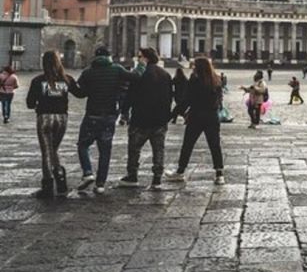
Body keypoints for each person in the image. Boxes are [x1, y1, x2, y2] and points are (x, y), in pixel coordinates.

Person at [75, 46, 138, 195]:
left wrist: (70, 85)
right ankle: (100, 184)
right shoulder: (117, 69)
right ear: (109, 56)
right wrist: (141, 64)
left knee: (83, 145)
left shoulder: (88, 72)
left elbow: (80, 93)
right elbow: (135, 77)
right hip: (109, 116)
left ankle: (88, 172)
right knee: (105, 151)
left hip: (92, 115)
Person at [26, 51, 80, 198]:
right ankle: (61, 180)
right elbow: (80, 93)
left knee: (46, 151)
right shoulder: (67, 79)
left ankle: (48, 184)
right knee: (53, 149)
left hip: (45, 118)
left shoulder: (38, 81)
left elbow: (30, 103)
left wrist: (39, 101)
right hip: (62, 118)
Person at [119, 48, 172, 190]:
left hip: (140, 118)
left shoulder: (139, 74)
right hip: (159, 120)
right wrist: (167, 116)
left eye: (140, 56)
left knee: (134, 149)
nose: (138, 58)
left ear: (146, 58)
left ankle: (132, 176)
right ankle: (157, 179)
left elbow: (130, 95)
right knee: (159, 150)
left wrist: (125, 112)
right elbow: (169, 98)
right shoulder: (165, 74)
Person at [166, 56, 225, 185]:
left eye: (194, 66)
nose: (192, 68)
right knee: (215, 145)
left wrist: (172, 114)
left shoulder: (195, 80)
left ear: (198, 67)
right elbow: (219, 100)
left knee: (188, 144)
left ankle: (180, 171)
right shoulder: (216, 80)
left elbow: (186, 100)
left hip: (197, 116)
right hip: (212, 116)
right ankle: (219, 174)